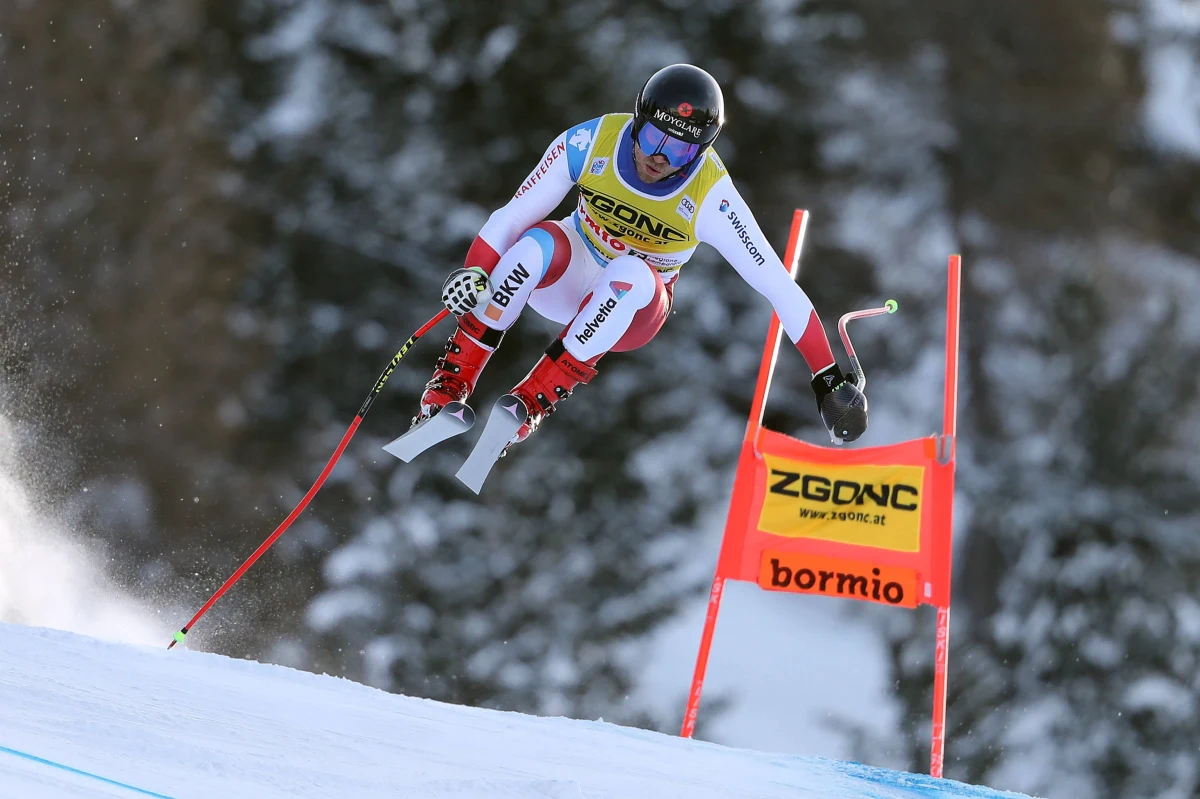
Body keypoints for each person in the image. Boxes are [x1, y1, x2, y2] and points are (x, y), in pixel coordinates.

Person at [416, 63, 867, 452]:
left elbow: (777, 285)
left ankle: (530, 401)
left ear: (701, 151)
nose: (658, 156)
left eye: (680, 149)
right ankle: (451, 384)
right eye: (653, 136)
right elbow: (512, 215)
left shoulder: (712, 196)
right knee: (533, 245)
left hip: (628, 310)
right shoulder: (591, 141)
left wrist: (825, 378)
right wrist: (476, 269)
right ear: (637, 120)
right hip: (566, 273)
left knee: (631, 271)